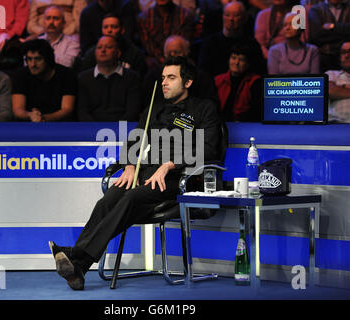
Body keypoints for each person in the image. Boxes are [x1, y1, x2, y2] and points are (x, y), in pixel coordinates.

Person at [48, 55, 223, 290]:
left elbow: (209, 147)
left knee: (131, 198)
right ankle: (79, 266)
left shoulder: (204, 108)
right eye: (162, 78)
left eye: (171, 78)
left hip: (181, 178)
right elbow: (134, 142)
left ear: (188, 83)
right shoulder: (154, 109)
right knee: (108, 199)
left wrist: (170, 164)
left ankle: (77, 256)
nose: (164, 83)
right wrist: (130, 165)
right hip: (147, 175)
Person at [77, 35, 142, 121]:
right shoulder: (83, 78)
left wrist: (116, 130)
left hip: (123, 130)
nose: (103, 50)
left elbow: (132, 112)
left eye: (109, 47)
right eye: (99, 47)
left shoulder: (132, 78)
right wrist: (97, 130)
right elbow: (82, 112)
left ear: (118, 53)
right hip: (91, 130)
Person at [11, 39, 77, 122]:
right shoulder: (21, 75)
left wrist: (43, 118)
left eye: (38, 59)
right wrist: (30, 115)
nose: (33, 64)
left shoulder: (66, 75)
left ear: (48, 59)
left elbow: (67, 109)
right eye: (29, 59)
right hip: (29, 124)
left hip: (59, 125)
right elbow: (17, 110)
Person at [142, 34, 216, 104]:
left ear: (186, 53)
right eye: (169, 53)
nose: (173, 56)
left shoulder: (200, 78)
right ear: (164, 55)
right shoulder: (154, 77)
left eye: (176, 52)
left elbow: (209, 104)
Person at [198, 1, 266, 78]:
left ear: (245, 18)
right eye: (227, 15)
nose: (231, 19)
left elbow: (259, 72)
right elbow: (203, 72)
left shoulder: (252, 45)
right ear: (222, 17)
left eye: (236, 15)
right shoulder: (210, 43)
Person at [74, 13, 147, 76]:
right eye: (105, 27)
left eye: (114, 27)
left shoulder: (135, 54)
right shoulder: (93, 53)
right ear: (101, 30)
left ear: (122, 30)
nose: (109, 30)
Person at [138, 0, 195, 69]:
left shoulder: (185, 15)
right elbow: (150, 48)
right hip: (156, 65)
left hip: (180, 62)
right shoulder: (144, 18)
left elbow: (183, 46)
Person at [214, 43, 262, 122]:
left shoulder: (255, 82)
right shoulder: (218, 80)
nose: (236, 63)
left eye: (241, 60)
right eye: (233, 58)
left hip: (245, 125)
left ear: (248, 64)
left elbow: (255, 112)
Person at [309, 0, 350, 72]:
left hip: (349, 60)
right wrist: (345, 30)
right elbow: (316, 36)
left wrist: (333, 27)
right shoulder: (316, 10)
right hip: (325, 61)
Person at [326, 41, 350, 123]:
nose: (346, 56)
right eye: (343, 52)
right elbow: (330, 91)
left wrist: (341, 87)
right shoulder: (331, 74)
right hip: (337, 123)